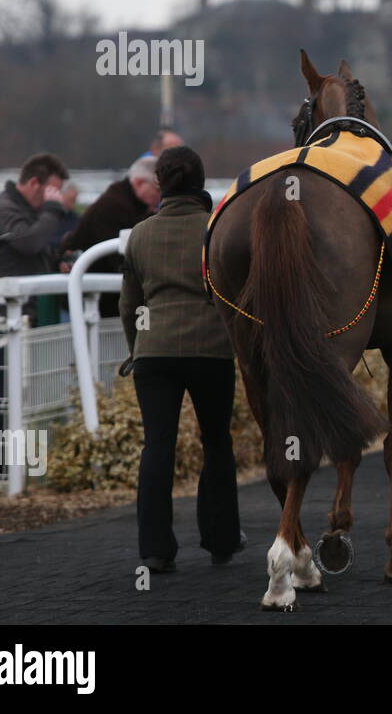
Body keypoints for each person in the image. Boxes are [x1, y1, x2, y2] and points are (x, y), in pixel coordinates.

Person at [118, 146, 241, 572]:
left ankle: (155, 549)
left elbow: (129, 304)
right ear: (201, 183)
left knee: (157, 446)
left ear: (159, 185)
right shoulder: (216, 230)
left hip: (154, 352)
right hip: (211, 349)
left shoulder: (139, 234)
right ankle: (221, 540)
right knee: (217, 441)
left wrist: (137, 348)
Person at [60, 157, 161, 317]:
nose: (160, 195)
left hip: (100, 299)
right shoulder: (113, 207)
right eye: (157, 189)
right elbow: (117, 260)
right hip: (94, 302)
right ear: (140, 182)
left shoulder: (127, 203)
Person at [0, 153, 71, 285]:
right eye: (52, 191)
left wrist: (58, 261)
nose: (55, 197)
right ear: (33, 183)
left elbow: (38, 249)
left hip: (34, 298)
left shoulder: (34, 209)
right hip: (12, 301)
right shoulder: (4, 207)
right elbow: (28, 243)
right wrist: (52, 211)